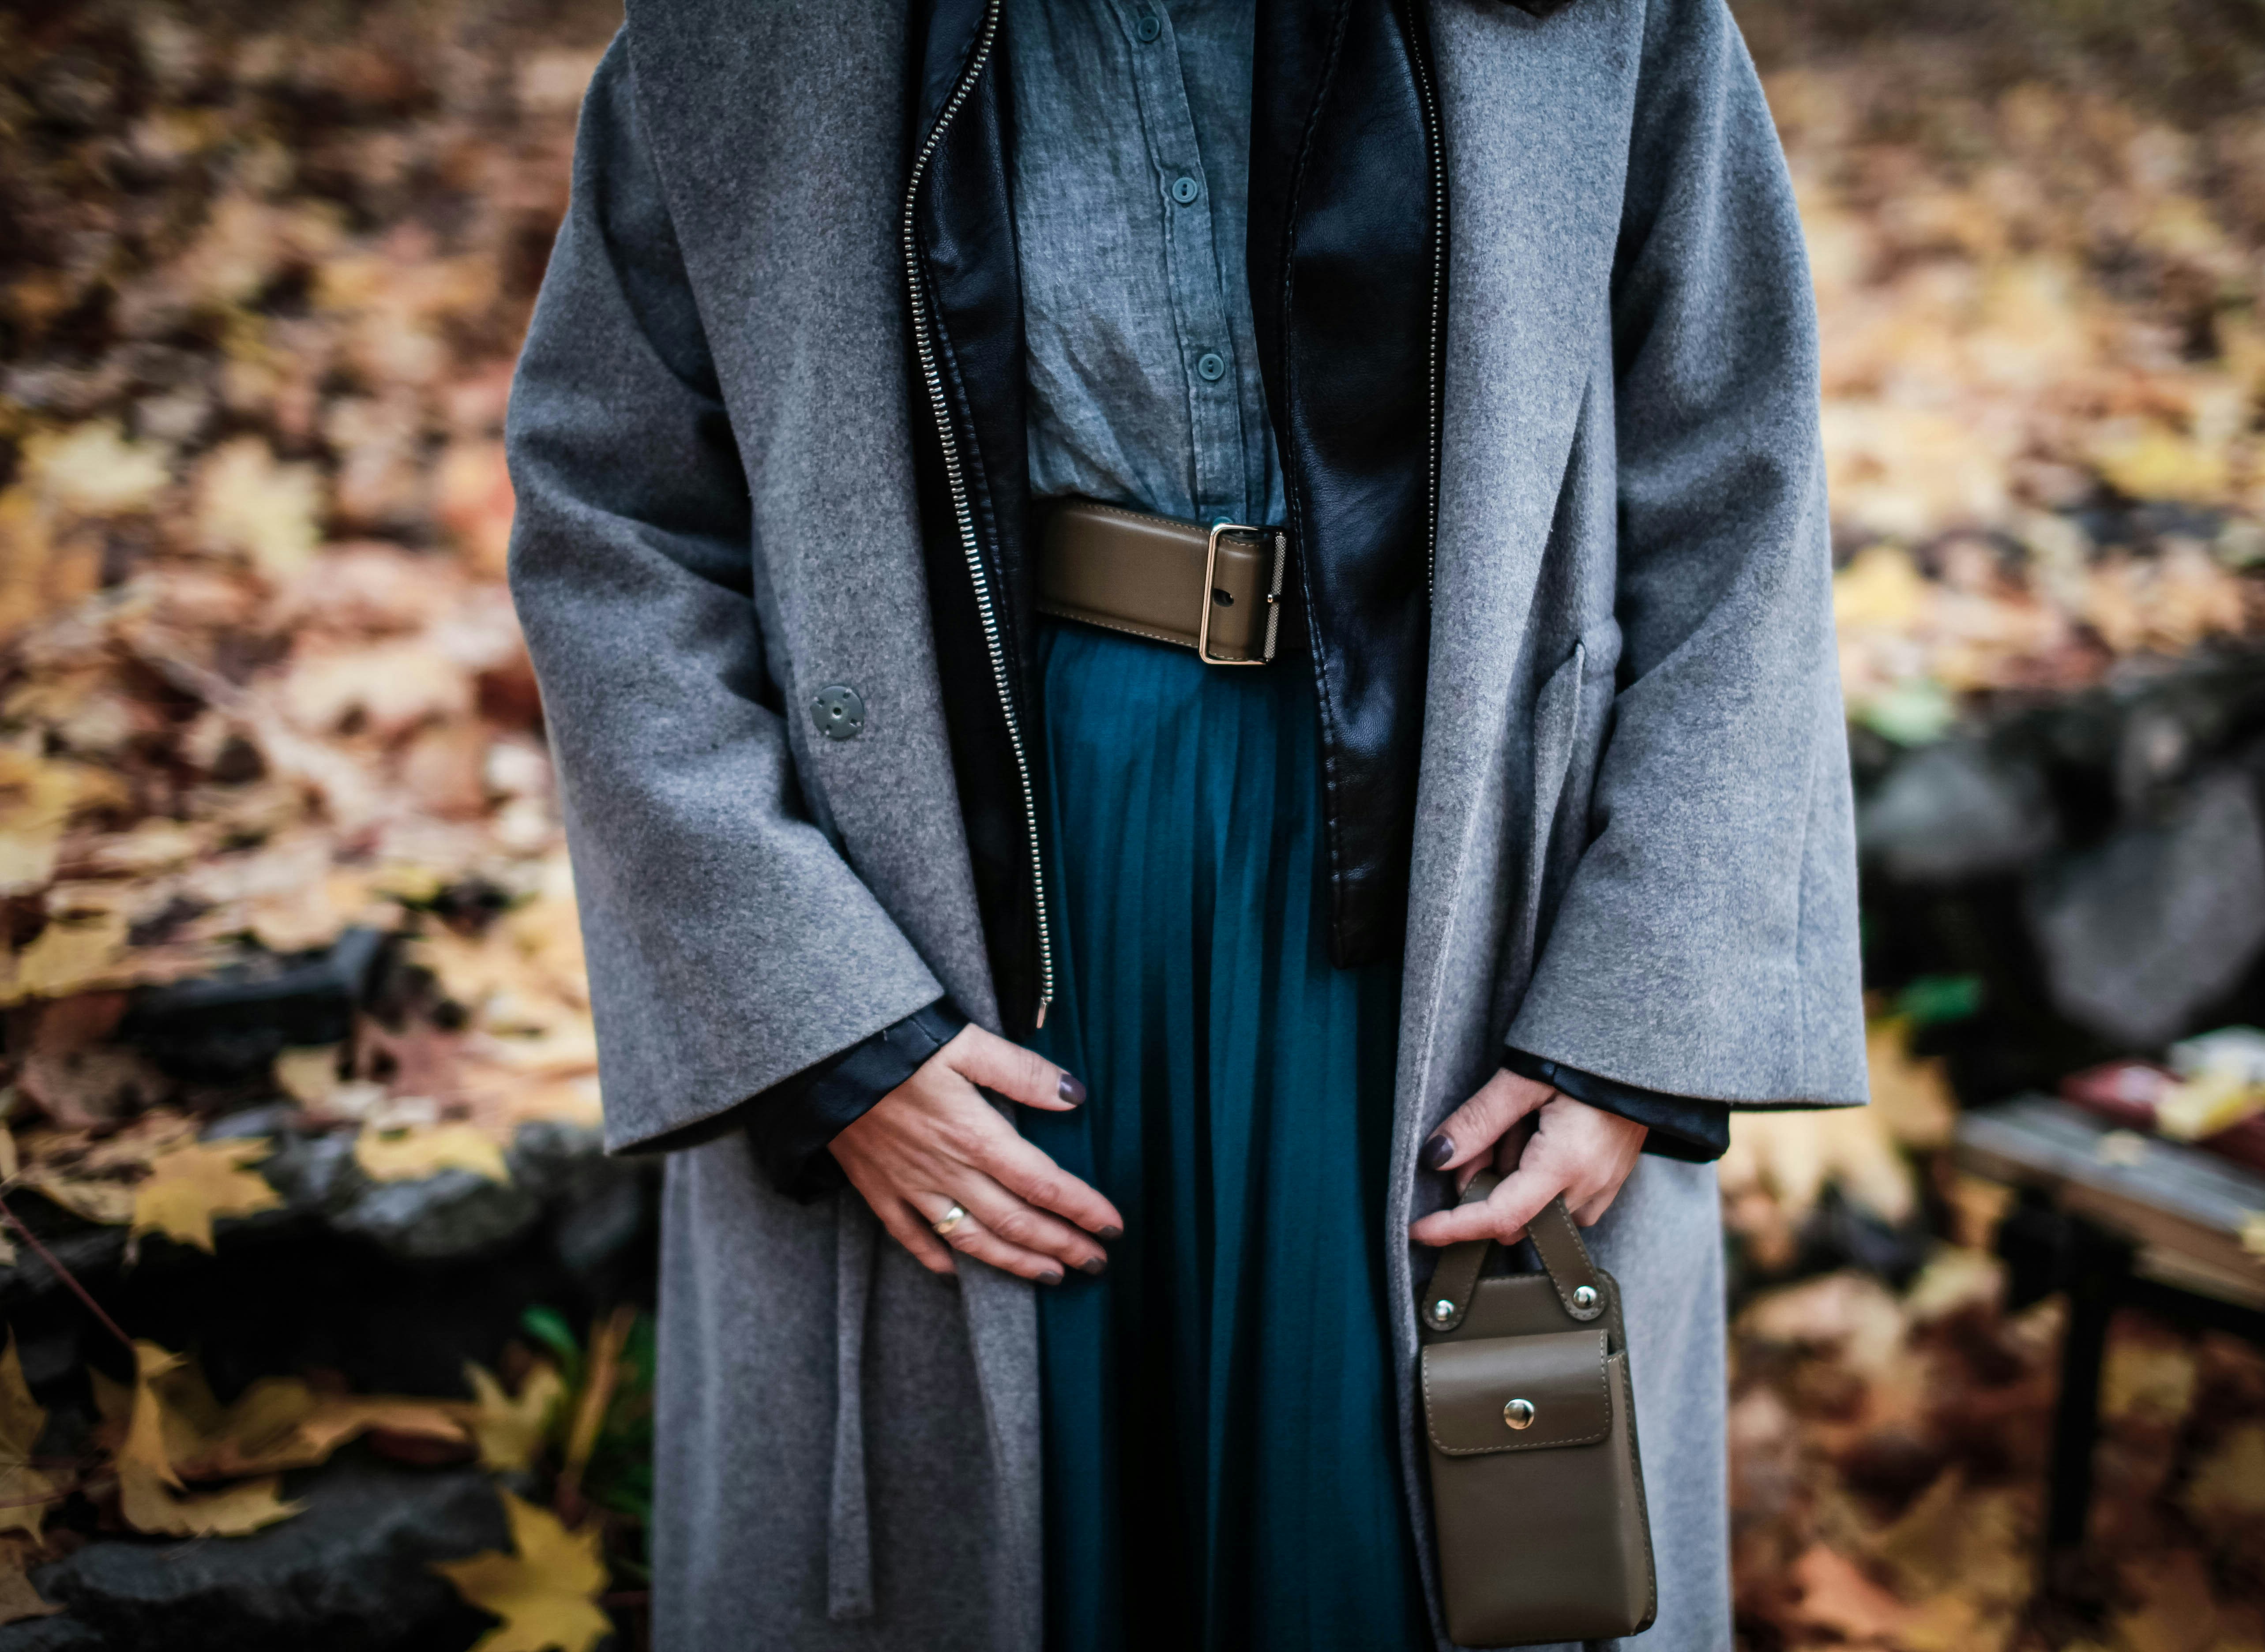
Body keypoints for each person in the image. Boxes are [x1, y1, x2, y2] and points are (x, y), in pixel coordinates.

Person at [505, 0, 1866, 1645]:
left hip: (1455, 926)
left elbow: (1739, 497)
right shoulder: (749, 36)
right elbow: (616, 516)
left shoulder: (1598, 18)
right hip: (950, 914)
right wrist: (817, 1019)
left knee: (1403, 1569)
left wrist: (1635, 1016)